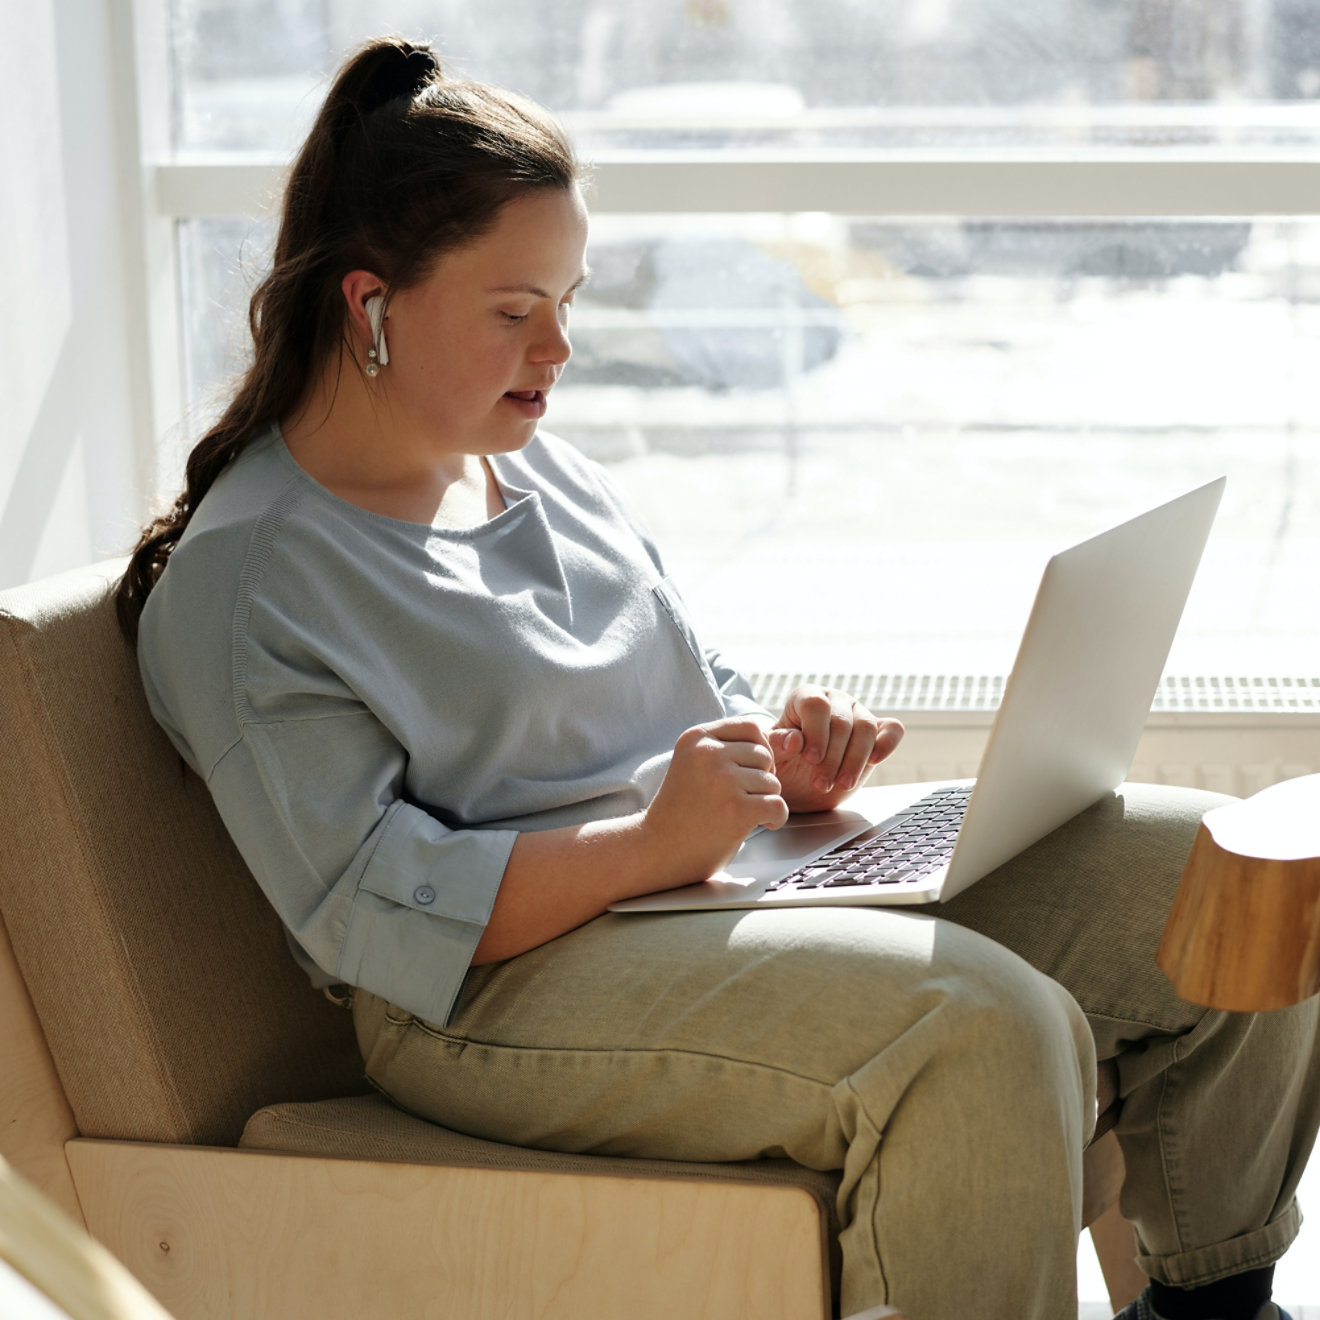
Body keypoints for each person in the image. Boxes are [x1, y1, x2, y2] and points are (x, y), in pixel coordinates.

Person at [116, 36, 1319, 1320]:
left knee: (1225, 868)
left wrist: (778, 760)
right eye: (515, 311)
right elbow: (370, 916)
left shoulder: (546, 473)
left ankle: (1213, 1307)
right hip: (489, 995)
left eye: (568, 301)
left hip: (705, 889)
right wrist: (651, 844)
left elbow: (696, 696)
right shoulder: (252, 585)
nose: (560, 348)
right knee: (979, 1030)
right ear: (370, 306)